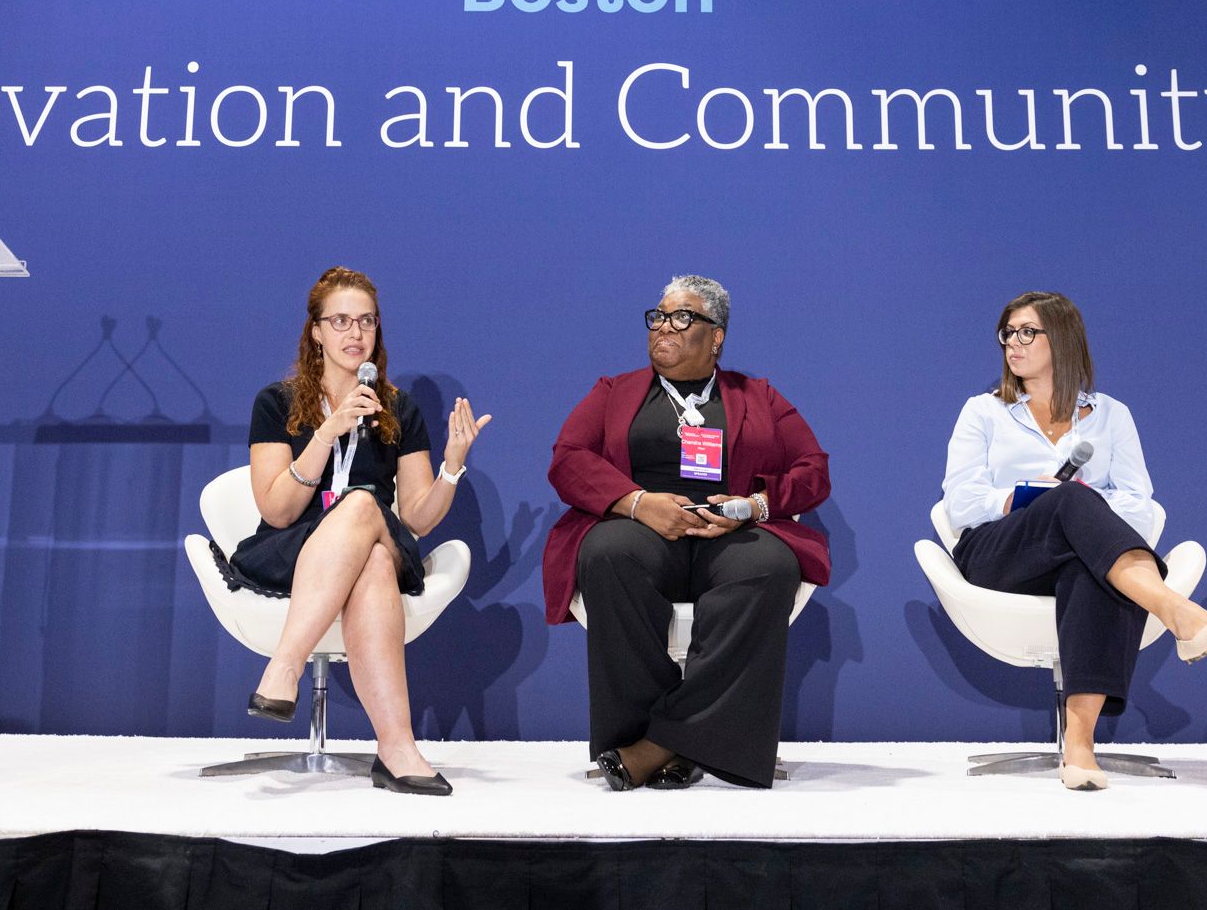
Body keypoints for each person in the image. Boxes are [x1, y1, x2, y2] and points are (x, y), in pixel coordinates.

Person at [941, 291, 1207, 791]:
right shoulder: (983, 412)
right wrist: (1026, 497)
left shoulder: (1111, 415)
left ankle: (1080, 748)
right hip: (998, 553)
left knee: (1089, 560)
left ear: (1061, 339)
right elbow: (962, 505)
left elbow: (1138, 503)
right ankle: (1177, 610)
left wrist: (1080, 508)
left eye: (1027, 332)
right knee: (1070, 501)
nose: (1013, 343)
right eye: (1008, 332)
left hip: (1077, 552)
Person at [543, 275, 831, 791]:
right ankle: (669, 738)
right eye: (657, 316)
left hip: (729, 531)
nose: (663, 327)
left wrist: (755, 506)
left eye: (682, 317)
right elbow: (568, 461)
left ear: (716, 335)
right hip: (641, 526)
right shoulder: (614, 392)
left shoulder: (759, 396)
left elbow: (813, 470)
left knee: (768, 566)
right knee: (608, 555)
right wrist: (637, 503)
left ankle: (656, 747)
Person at [233, 266, 490, 796]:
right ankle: (397, 749)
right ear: (316, 333)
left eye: (366, 322)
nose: (356, 334)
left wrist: (452, 465)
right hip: (293, 546)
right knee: (369, 552)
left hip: (377, 531)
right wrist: (326, 432)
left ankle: (284, 671)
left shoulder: (398, 409)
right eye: (342, 321)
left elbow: (418, 517)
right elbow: (277, 510)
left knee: (363, 508)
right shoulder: (275, 404)